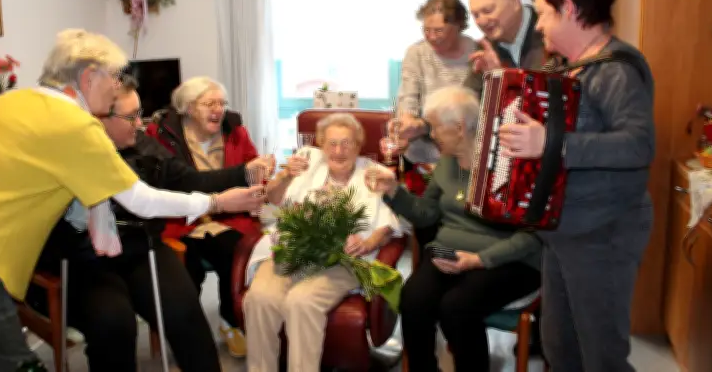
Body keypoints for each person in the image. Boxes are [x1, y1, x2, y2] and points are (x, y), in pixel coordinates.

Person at [0, 29, 262, 372]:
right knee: (14, 365)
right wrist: (215, 204)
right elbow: (140, 200)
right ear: (88, 76)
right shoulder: (75, 125)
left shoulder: (14, 100)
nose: (117, 86)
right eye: (114, 78)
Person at [30, 77, 272, 372]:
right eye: (130, 117)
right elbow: (145, 201)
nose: (140, 124)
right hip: (87, 256)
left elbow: (187, 179)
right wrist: (219, 203)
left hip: (140, 244)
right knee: (113, 323)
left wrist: (243, 174)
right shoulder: (76, 150)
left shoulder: (142, 142)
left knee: (186, 313)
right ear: (100, 118)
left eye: (140, 113)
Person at [499, 0, 654, 372]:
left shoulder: (617, 71)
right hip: (563, 230)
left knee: (601, 354)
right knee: (559, 346)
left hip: (604, 232)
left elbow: (638, 146)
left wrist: (551, 143)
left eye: (545, 14)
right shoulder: (567, 68)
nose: (539, 26)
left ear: (569, 9)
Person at [368, 86, 541, 372]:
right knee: (413, 299)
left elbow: (532, 236)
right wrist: (393, 191)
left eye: (434, 127)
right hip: (452, 249)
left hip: (508, 259)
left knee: (456, 308)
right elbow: (426, 214)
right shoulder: (446, 162)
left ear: (460, 127)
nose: (430, 134)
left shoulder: (512, 164)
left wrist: (478, 260)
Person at [242, 113, 401, 372]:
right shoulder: (307, 165)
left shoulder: (373, 174)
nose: (339, 151)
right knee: (259, 299)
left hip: (342, 261)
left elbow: (388, 224)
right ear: (321, 145)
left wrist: (367, 243)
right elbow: (273, 199)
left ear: (359, 145)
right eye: (332, 143)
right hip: (292, 252)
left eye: (347, 143)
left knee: (301, 302)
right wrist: (285, 175)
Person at [464, 0, 550, 356]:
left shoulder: (549, 39)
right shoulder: (490, 44)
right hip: (516, 170)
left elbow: (547, 107)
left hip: (554, 173)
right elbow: (475, 106)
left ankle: (543, 338)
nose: (482, 20)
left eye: (488, 9)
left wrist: (503, 74)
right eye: (476, 13)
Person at [145, 76, 261, 357]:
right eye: (210, 103)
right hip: (181, 222)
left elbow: (254, 172)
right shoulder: (160, 136)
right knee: (187, 268)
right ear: (188, 107)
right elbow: (160, 184)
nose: (218, 110)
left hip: (228, 219)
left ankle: (230, 322)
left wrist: (262, 176)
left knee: (235, 253)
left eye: (222, 103)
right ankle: (185, 330)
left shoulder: (236, 131)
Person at [392, 0, 478, 166]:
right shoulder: (416, 53)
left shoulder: (476, 53)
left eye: (438, 30)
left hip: (463, 159)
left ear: (458, 26)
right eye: (426, 30)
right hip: (420, 157)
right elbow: (408, 99)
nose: (431, 37)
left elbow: (475, 112)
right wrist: (407, 122)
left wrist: (424, 126)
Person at [464, 0, 550, 97]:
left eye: (488, 10)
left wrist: (502, 80)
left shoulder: (548, 31)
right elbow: (470, 99)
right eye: (476, 15)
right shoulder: (486, 49)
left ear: (514, 0)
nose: (481, 21)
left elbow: (546, 98)